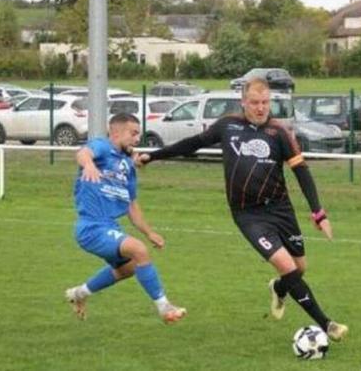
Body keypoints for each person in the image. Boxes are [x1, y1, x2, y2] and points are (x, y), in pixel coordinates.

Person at [140, 78, 348, 341]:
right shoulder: (228, 126)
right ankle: (326, 324)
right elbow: (192, 143)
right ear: (243, 102)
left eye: (265, 102)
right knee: (287, 266)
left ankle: (278, 288)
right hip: (248, 214)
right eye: (255, 103)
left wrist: (318, 213)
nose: (261, 108)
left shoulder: (279, 132)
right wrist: (154, 155)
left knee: (299, 269)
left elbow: (302, 172)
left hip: (281, 209)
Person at [65, 113, 186, 324]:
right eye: (133, 133)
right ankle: (165, 307)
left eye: (138, 133)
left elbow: (132, 205)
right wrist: (89, 165)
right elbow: (83, 153)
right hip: (91, 227)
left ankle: (79, 293)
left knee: (130, 268)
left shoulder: (127, 166)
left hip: (109, 226)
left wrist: (149, 232)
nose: (137, 138)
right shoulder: (102, 147)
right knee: (138, 250)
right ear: (116, 132)